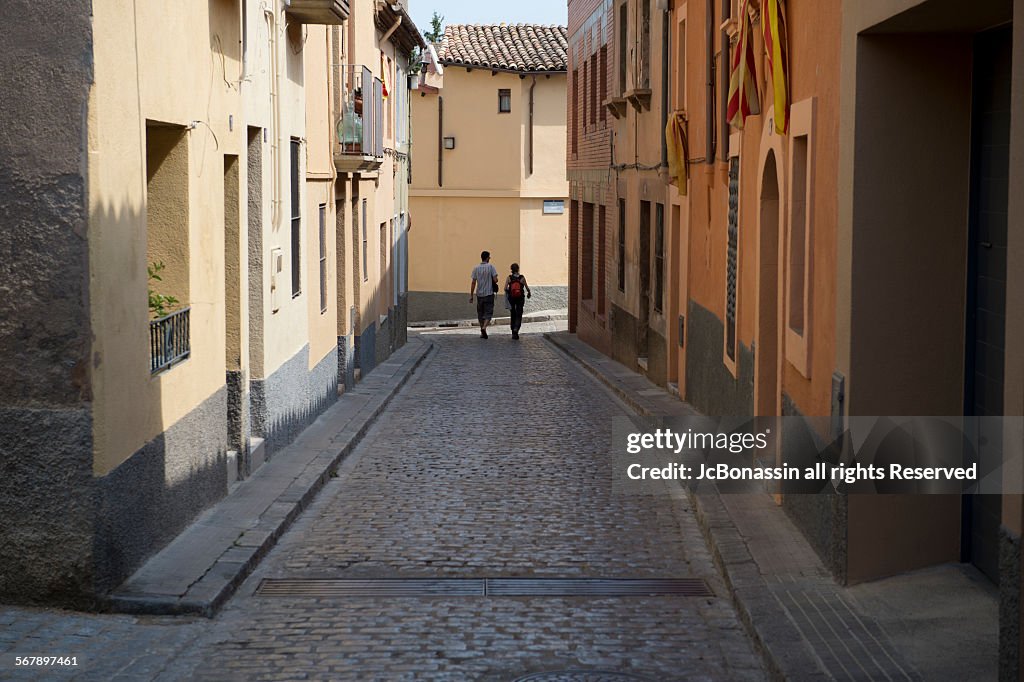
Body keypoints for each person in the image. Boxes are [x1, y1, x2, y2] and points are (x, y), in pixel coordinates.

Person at [469, 251, 499, 338]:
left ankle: (482, 331)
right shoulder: (491, 267)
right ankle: (484, 327)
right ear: (487, 258)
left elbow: (473, 282)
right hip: (489, 294)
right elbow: (496, 280)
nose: (490, 258)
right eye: (489, 257)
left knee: (480, 313)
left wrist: (471, 295)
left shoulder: (476, 268)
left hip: (479, 294)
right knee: (488, 312)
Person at [504, 263, 531, 340]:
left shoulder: (509, 278)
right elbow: (526, 287)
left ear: (511, 269)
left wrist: (510, 291)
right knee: (519, 313)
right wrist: (529, 293)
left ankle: (513, 330)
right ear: (518, 269)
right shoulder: (522, 277)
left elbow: (505, 288)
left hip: (511, 298)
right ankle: (516, 328)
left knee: (513, 313)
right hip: (520, 297)